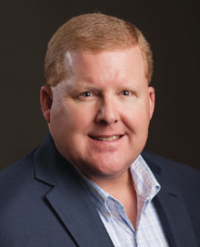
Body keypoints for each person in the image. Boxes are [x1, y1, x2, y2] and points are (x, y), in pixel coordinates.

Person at [0, 13, 199, 247]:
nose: (109, 116)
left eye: (126, 93)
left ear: (150, 102)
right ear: (48, 104)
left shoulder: (192, 188)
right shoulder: (6, 215)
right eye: (87, 94)